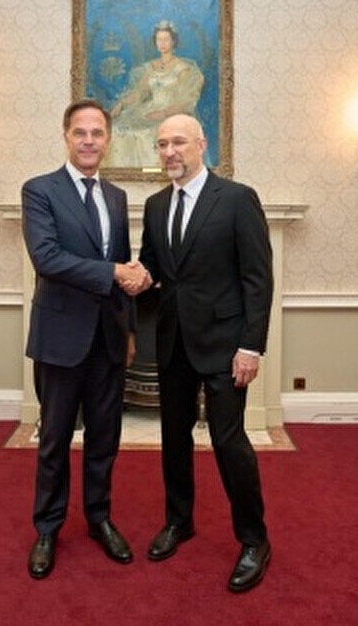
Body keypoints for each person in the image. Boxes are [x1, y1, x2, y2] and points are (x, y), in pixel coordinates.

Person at [134, 114, 273, 592]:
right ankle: (179, 521)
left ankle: (254, 540)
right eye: (161, 144)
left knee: (229, 442)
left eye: (178, 142)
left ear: (201, 144)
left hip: (225, 346)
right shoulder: (155, 205)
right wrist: (133, 275)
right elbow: (155, 267)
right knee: (173, 438)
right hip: (172, 342)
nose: (169, 151)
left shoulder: (237, 199)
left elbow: (257, 280)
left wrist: (250, 347)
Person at [21, 99, 150, 580]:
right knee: (55, 439)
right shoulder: (40, 190)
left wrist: (130, 328)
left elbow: (123, 263)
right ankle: (47, 529)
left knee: (104, 437)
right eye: (81, 132)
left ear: (108, 140)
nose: (89, 141)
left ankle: (99, 519)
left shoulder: (115, 196)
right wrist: (114, 271)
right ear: (66, 136)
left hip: (109, 340)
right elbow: (47, 258)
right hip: (60, 338)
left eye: (97, 133)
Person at [106, 21, 205, 169]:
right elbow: (139, 94)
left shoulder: (183, 69)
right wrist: (121, 104)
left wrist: (163, 113)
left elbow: (187, 102)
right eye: (159, 39)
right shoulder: (151, 67)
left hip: (172, 113)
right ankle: (128, 173)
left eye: (166, 40)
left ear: (173, 42)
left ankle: (153, 171)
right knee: (118, 128)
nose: (162, 43)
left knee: (147, 133)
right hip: (149, 109)